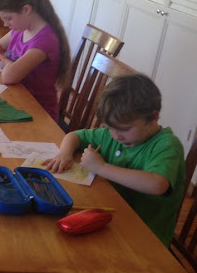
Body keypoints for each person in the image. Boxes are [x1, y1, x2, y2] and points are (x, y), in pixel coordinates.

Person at [44, 73, 185, 247]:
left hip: (145, 238)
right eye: (109, 127)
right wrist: (64, 154)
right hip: (109, 216)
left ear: (153, 117)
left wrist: (101, 168)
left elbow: (157, 184)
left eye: (124, 129)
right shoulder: (114, 134)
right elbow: (74, 136)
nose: (116, 135)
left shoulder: (167, 146)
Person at [0, 0, 70, 121]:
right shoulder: (21, 29)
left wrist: (7, 62)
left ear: (26, 10)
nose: (5, 24)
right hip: (17, 99)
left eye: (9, 18)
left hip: (38, 112)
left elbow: (8, 77)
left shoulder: (45, 40)